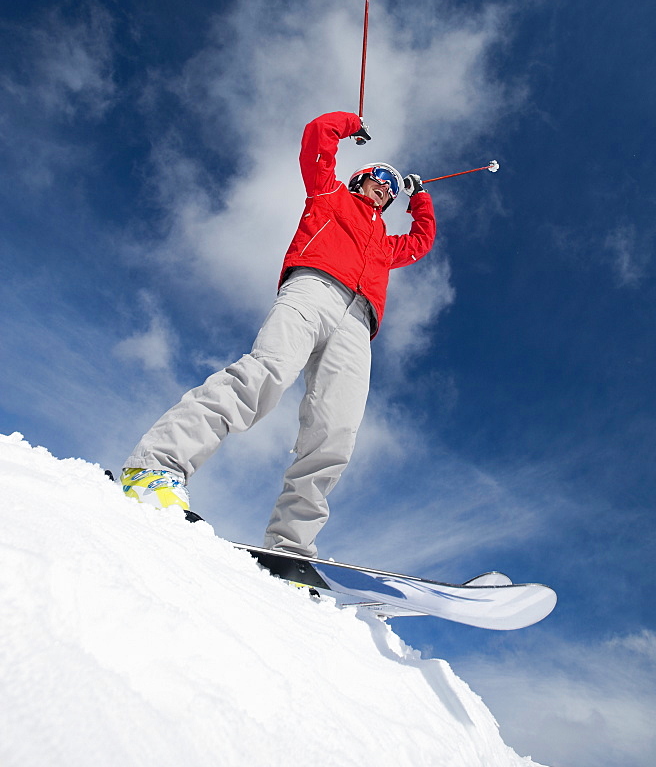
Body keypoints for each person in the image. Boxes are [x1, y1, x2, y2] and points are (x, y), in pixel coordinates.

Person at [120, 110, 436, 557]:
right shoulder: (328, 194)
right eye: (379, 176)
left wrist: (420, 197)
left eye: (393, 186)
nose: (387, 186)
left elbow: (421, 241)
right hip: (314, 287)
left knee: (337, 430)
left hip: (359, 320)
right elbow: (316, 139)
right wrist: (350, 125)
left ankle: (290, 546)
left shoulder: (386, 244)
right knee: (265, 373)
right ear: (358, 180)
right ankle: (155, 467)